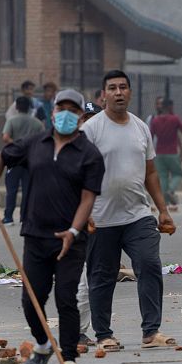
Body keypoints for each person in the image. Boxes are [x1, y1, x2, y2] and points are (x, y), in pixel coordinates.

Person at [0, 89, 104, 364]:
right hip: (35, 235)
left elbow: (88, 198)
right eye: (60, 108)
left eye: (72, 110)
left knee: (66, 298)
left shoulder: (89, 154)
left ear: (80, 117)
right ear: (52, 113)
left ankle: (70, 357)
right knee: (30, 298)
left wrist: (74, 231)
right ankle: (44, 344)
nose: (65, 114)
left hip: (71, 240)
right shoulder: (35, 143)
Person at [81, 70, 177, 351]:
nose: (119, 92)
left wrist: (163, 210)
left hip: (138, 215)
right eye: (112, 88)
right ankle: (103, 334)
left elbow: (151, 173)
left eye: (123, 87)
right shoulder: (92, 129)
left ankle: (151, 330)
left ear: (130, 92)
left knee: (149, 264)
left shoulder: (140, 128)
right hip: (101, 218)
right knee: (101, 276)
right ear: (104, 95)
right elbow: (78, 173)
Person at [76, 101, 104, 347]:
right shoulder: (72, 152)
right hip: (81, 222)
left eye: (92, 118)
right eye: (84, 119)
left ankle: (99, 329)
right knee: (84, 277)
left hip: (108, 220)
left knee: (97, 276)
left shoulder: (104, 149)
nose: (88, 124)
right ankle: (77, 331)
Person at [1, 96, 46, 224]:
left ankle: (8, 217)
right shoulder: (36, 122)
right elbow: (42, 138)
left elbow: (5, 137)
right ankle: (24, 216)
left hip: (13, 160)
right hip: (30, 160)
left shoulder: (11, 121)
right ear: (30, 108)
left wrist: (16, 144)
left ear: (16, 107)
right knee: (28, 189)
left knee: (11, 189)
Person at [149, 98, 182, 207]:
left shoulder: (155, 120)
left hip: (159, 153)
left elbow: (151, 136)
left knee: (162, 176)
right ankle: (171, 190)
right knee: (178, 174)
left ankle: (164, 202)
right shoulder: (174, 119)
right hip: (172, 152)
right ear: (170, 107)